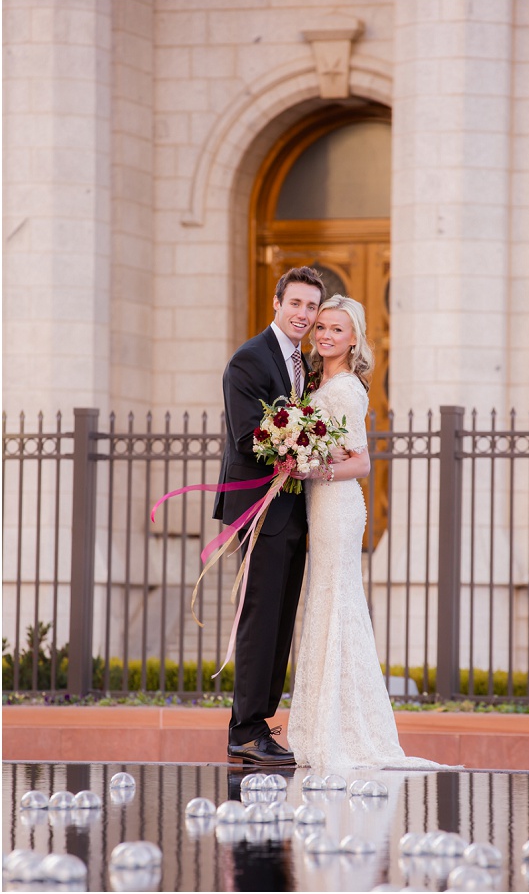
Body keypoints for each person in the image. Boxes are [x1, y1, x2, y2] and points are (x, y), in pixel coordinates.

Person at [286, 295, 442, 771]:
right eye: (322, 328)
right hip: (322, 506)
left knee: (337, 601)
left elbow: (360, 462)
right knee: (327, 602)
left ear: (354, 338)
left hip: (338, 508)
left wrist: (308, 468)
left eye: (336, 329)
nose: (326, 335)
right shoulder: (319, 380)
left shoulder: (347, 388)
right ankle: (322, 722)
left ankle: (344, 729)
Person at [216, 265, 325, 767]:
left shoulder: (301, 362)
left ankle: (262, 722)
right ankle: (244, 729)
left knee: (281, 621)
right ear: (277, 304)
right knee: (261, 620)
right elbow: (247, 435)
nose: (303, 314)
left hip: (292, 511)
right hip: (261, 508)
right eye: (296, 304)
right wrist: (298, 447)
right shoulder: (249, 360)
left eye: (311, 307)